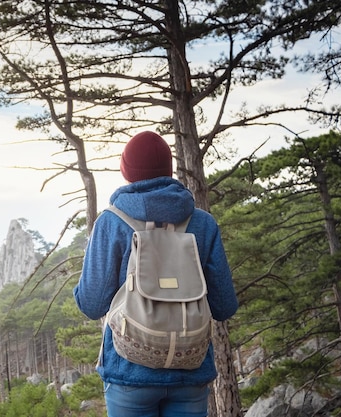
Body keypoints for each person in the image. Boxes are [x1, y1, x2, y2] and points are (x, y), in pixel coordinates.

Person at [73, 131, 238, 417]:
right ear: (168, 169)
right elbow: (224, 307)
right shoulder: (203, 224)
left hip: (129, 372)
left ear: (127, 172)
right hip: (191, 371)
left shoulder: (111, 223)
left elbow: (92, 304)